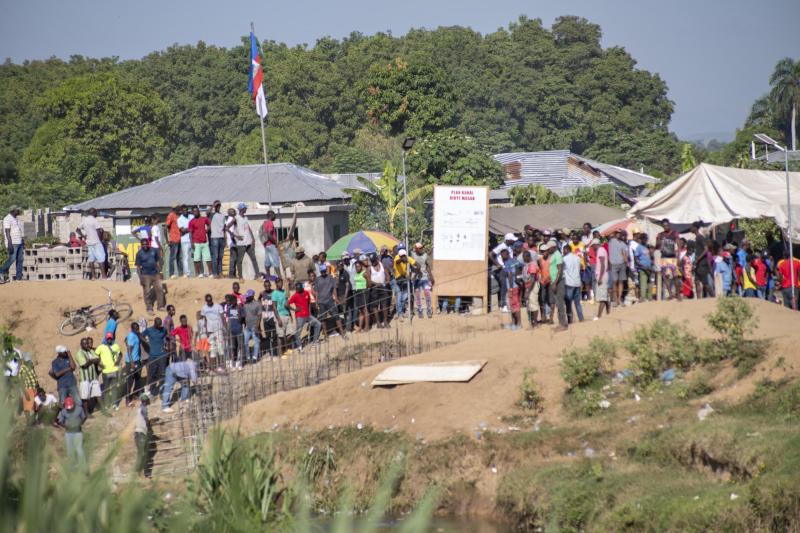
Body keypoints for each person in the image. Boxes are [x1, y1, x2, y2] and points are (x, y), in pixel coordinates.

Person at [314, 264, 347, 338]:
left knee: (336, 316)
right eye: (321, 271)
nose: (323, 272)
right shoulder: (317, 279)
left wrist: (336, 298)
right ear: (320, 271)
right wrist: (316, 302)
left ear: (326, 270)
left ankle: (342, 333)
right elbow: (316, 292)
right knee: (323, 318)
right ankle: (326, 335)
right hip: (321, 302)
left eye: (324, 271)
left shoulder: (330, 278)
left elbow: (334, 288)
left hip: (330, 301)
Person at [135, 238, 165, 315]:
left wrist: (160, 272)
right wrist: (140, 278)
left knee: (160, 289)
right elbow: (138, 267)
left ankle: (160, 306)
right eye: (143, 244)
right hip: (145, 275)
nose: (145, 245)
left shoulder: (154, 251)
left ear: (148, 244)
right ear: (141, 245)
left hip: (155, 274)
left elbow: (157, 262)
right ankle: (149, 308)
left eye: (146, 244)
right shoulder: (139, 254)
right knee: (147, 292)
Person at [288, 282, 321, 351]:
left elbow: (309, 302)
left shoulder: (306, 293)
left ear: (302, 288)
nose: (297, 290)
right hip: (299, 316)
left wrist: (309, 311)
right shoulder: (295, 295)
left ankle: (315, 341)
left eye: (298, 288)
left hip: (308, 315)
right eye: (296, 289)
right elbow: (286, 304)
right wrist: (294, 309)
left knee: (318, 324)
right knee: (298, 332)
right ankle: (299, 346)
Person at [56, 397, 86, 468]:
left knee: (79, 449)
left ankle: (83, 465)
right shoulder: (63, 411)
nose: (69, 409)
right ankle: (72, 466)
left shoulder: (79, 409)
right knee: (70, 450)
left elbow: (84, 417)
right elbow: (60, 421)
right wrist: (65, 426)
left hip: (77, 432)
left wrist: (80, 424)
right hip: (68, 433)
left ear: (73, 404)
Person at [74, 337, 102, 414]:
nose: (87, 345)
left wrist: (90, 361)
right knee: (85, 397)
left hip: (93, 377)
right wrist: (92, 360)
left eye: (87, 343)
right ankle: (86, 413)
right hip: (85, 378)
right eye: (85, 344)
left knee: (98, 393)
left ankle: (103, 409)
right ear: (81, 345)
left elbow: (98, 359)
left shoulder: (90, 351)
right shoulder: (79, 353)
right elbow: (84, 364)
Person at [656, 219, 682, 301]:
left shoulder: (674, 233)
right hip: (663, 257)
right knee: (665, 277)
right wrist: (658, 241)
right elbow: (657, 246)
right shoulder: (660, 235)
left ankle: (678, 295)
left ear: (669, 225)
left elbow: (679, 246)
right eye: (664, 226)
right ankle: (670, 294)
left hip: (672, 257)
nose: (665, 227)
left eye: (667, 225)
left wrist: (678, 258)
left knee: (675, 276)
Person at [490, 233, 517, 312]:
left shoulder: (509, 247)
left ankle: (507, 304)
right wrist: (497, 264)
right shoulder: (501, 246)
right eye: (512, 240)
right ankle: (503, 305)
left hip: (508, 268)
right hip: (502, 269)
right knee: (504, 287)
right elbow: (491, 254)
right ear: (508, 240)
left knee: (508, 286)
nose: (514, 241)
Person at [96, 332, 122, 411]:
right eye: (108, 338)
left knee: (114, 388)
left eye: (110, 338)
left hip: (115, 370)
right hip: (106, 371)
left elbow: (120, 354)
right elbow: (95, 356)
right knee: (106, 389)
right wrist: (100, 364)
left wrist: (118, 360)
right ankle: (107, 403)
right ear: (106, 339)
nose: (109, 340)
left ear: (112, 338)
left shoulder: (116, 346)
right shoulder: (101, 347)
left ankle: (115, 404)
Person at [77, 208, 105, 280]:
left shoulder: (84, 220)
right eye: (96, 213)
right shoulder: (94, 220)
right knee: (101, 258)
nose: (96, 214)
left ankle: (93, 276)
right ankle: (104, 276)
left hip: (89, 242)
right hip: (96, 242)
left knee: (91, 259)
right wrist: (100, 240)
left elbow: (77, 229)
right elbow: (99, 231)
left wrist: (84, 236)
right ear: (93, 213)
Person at [143, 317, 169, 396]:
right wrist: (147, 343)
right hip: (152, 355)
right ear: (154, 323)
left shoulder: (163, 329)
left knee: (162, 373)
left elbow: (167, 335)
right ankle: (150, 390)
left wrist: (166, 345)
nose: (160, 326)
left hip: (162, 355)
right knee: (151, 373)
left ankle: (162, 390)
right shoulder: (149, 330)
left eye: (160, 324)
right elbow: (141, 335)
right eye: (158, 325)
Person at [234, 203, 260, 280]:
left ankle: (257, 275)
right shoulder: (236, 218)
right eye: (245, 208)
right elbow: (227, 227)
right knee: (240, 261)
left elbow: (248, 228)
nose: (246, 209)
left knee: (254, 259)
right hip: (241, 244)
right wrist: (236, 236)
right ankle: (240, 277)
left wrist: (253, 239)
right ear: (242, 209)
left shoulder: (246, 218)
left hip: (248, 242)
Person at [546, 241, 567, 331]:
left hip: (558, 282)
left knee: (560, 303)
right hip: (555, 281)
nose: (548, 250)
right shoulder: (554, 255)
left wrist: (555, 283)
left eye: (549, 248)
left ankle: (563, 324)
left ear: (553, 247)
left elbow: (560, 270)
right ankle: (561, 323)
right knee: (558, 303)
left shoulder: (558, 255)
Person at [0, 206, 24, 284]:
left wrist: (22, 241)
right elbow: (7, 232)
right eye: (18, 210)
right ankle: (1, 271)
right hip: (13, 243)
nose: (19, 212)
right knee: (12, 259)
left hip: (19, 242)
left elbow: (18, 231)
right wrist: (9, 244)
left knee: (20, 259)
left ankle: (19, 277)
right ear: (13, 211)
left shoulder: (15, 219)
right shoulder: (7, 218)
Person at [410, 243, 435, 319]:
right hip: (416, 278)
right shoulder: (412, 255)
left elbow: (427, 266)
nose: (422, 249)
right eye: (420, 248)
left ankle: (429, 310)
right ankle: (420, 311)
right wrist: (414, 272)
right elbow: (410, 265)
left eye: (422, 248)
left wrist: (431, 276)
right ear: (416, 249)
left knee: (427, 294)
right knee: (417, 295)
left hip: (425, 278)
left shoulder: (425, 255)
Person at [393, 249, 418, 320]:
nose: (403, 257)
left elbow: (417, 265)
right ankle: (399, 313)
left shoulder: (408, 258)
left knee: (404, 298)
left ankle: (400, 312)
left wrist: (415, 274)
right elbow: (397, 261)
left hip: (405, 280)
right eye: (401, 256)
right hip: (398, 280)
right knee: (399, 298)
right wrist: (403, 259)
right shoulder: (397, 258)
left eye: (404, 256)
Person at [500, 249, 522, 330]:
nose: (502, 257)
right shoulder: (515, 260)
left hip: (512, 286)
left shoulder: (507, 263)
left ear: (507, 255)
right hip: (517, 285)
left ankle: (519, 324)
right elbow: (520, 267)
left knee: (514, 305)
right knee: (513, 305)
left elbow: (509, 275)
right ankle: (513, 323)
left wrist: (511, 288)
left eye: (502, 256)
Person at [562, 244, 584, 324]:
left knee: (568, 303)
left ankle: (570, 320)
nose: (563, 252)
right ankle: (581, 318)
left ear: (567, 250)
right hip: (577, 282)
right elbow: (581, 267)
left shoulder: (564, 259)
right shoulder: (577, 258)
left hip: (569, 283)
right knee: (577, 303)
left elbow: (561, 270)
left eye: (563, 250)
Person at [188, 207, 212, 277]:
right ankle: (198, 273)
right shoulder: (191, 221)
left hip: (204, 242)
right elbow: (190, 233)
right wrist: (191, 243)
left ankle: (210, 273)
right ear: (192, 213)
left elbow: (210, 224)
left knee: (208, 258)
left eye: (197, 211)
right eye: (194, 211)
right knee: (197, 259)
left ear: (199, 211)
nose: (196, 212)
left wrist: (208, 229)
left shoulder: (204, 219)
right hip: (196, 242)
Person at [607, 230, 628, 307]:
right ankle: (615, 300)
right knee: (614, 282)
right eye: (617, 233)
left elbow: (626, 255)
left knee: (621, 282)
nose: (619, 235)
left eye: (620, 234)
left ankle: (619, 299)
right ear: (615, 234)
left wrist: (625, 262)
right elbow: (607, 235)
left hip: (622, 264)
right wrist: (613, 231)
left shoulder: (624, 244)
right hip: (613, 264)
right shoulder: (611, 241)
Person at [125, 322, 144, 406]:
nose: (137, 329)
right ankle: (127, 400)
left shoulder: (136, 335)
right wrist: (132, 362)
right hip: (131, 362)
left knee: (138, 378)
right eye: (135, 328)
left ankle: (136, 394)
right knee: (130, 380)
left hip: (137, 360)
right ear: (132, 329)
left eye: (138, 328)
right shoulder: (131, 336)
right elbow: (129, 350)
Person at [224, 294, 245, 369]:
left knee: (240, 346)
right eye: (231, 301)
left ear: (236, 300)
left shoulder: (240, 307)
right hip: (232, 330)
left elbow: (242, 318)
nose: (232, 302)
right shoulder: (229, 308)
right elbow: (229, 319)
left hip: (239, 330)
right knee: (233, 347)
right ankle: (234, 362)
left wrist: (238, 312)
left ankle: (241, 363)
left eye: (233, 300)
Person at [368, 254, 389, 328]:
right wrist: (376, 284)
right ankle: (378, 323)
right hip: (374, 288)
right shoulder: (370, 268)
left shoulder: (382, 265)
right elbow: (369, 280)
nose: (373, 262)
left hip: (383, 287)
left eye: (374, 261)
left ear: (377, 259)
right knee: (375, 306)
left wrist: (386, 282)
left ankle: (385, 321)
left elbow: (387, 276)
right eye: (372, 261)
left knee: (384, 305)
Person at [133, 393, 151, 477]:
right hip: (141, 434)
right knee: (142, 453)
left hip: (137, 433)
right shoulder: (144, 408)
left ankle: (139, 472)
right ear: (145, 401)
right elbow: (146, 419)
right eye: (148, 400)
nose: (149, 401)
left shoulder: (139, 409)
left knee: (141, 453)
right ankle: (139, 472)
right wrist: (149, 426)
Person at [242, 290, 262, 362]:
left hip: (254, 326)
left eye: (248, 297)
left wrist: (257, 326)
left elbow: (259, 316)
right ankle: (247, 357)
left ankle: (255, 357)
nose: (246, 298)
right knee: (245, 342)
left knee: (256, 342)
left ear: (252, 296)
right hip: (247, 327)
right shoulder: (245, 304)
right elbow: (245, 315)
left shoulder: (257, 304)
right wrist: (244, 325)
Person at [521, 250, 540, 328]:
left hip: (533, 286)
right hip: (529, 286)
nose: (523, 259)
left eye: (524, 257)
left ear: (528, 257)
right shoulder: (527, 265)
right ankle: (532, 322)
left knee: (533, 304)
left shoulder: (532, 265)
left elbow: (532, 279)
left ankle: (535, 323)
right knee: (530, 305)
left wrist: (528, 291)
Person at [592, 239, 610, 320]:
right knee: (604, 296)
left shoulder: (600, 251)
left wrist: (600, 278)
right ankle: (608, 311)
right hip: (603, 275)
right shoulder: (603, 250)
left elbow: (602, 265)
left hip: (601, 276)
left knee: (601, 298)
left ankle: (599, 315)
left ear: (596, 244)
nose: (592, 248)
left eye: (593, 246)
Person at [633, 233, 653, 302]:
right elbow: (636, 259)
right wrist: (642, 266)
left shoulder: (647, 247)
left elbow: (650, 257)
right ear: (641, 239)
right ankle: (643, 297)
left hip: (649, 268)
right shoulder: (639, 247)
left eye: (646, 239)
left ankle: (650, 297)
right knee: (643, 283)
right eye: (644, 239)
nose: (646, 240)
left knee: (650, 283)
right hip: (642, 269)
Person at [209, 200, 226, 278]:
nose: (217, 207)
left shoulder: (222, 215)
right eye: (216, 206)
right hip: (214, 237)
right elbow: (207, 212)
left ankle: (220, 272)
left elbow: (224, 227)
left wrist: (225, 238)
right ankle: (215, 273)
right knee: (215, 256)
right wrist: (213, 205)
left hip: (221, 237)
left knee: (220, 256)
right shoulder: (212, 214)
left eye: (218, 206)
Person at [165, 205, 183, 278]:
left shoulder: (178, 216)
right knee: (172, 257)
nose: (179, 209)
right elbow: (165, 227)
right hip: (173, 239)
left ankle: (181, 273)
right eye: (178, 207)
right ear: (175, 208)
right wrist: (167, 240)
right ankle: (171, 274)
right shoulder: (171, 215)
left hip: (179, 239)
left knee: (179, 257)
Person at [352, 260, 371, 331]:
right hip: (357, 292)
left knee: (365, 310)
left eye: (358, 266)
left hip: (363, 292)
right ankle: (360, 327)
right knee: (360, 310)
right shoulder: (356, 273)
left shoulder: (364, 273)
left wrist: (365, 289)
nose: (357, 268)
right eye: (356, 267)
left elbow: (369, 283)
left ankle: (367, 326)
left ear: (361, 266)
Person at [177, 205, 194, 278]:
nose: (185, 211)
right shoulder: (179, 219)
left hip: (193, 239)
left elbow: (194, 226)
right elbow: (182, 230)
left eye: (186, 210)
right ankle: (187, 273)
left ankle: (198, 272)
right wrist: (191, 228)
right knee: (186, 257)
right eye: (184, 210)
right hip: (185, 240)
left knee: (196, 256)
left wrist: (187, 229)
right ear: (181, 211)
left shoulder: (191, 216)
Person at [225, 208, 239, 278]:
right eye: (233, 212)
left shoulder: (229, 219)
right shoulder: (231, 220)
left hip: (232, 241)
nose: (235, 212)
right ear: (229, 213)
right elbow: (230, 231)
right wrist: (234, 239)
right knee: (233, 258)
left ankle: (233, 273)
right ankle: (231, 274)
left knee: (234, 257)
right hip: (232, 241)